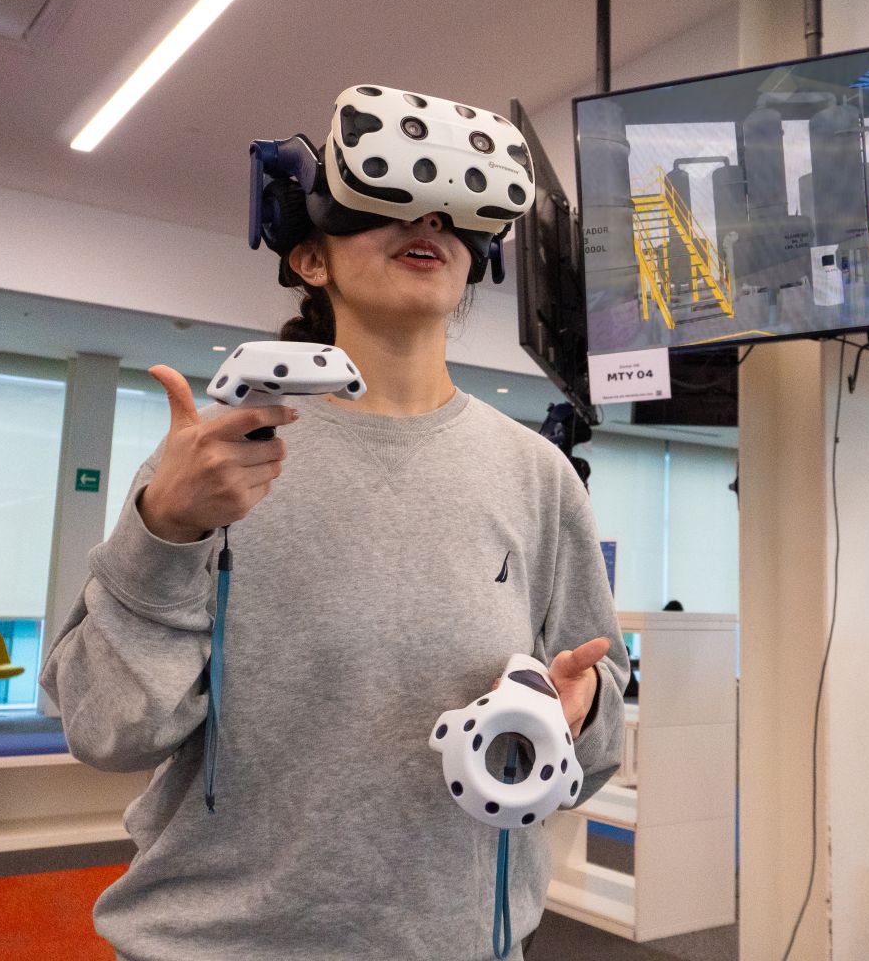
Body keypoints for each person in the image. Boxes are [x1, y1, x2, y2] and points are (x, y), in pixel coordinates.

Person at [41, 85, 627, 961]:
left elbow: (600, 730)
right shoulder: (216, 464)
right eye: (384, 202)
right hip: (217, 945)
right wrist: (163, 531)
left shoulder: (535, 476)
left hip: (457, 944)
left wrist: (573, 714)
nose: (425, 217)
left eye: (450, 211)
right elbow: (107, 730)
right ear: (310, 260)